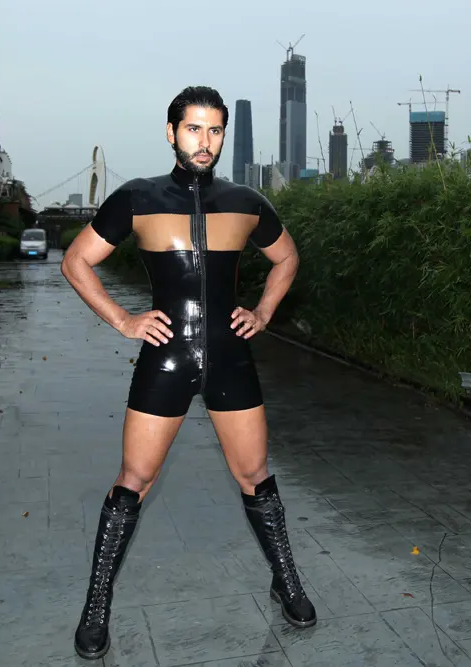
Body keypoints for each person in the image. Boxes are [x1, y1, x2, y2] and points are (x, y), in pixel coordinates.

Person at [60, 85, 316, 661]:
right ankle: (96, 606)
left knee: (255, 475)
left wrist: (264, 311)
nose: (205, 141)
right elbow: (76, 262)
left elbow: (287, 257)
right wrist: (124, 320)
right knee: (134, 479)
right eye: (194, 128)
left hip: (230, 356)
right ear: (171, 132)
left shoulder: (246, 201)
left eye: (215, 130)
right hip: (166, 358)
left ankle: (286, 582)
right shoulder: (137, 197)